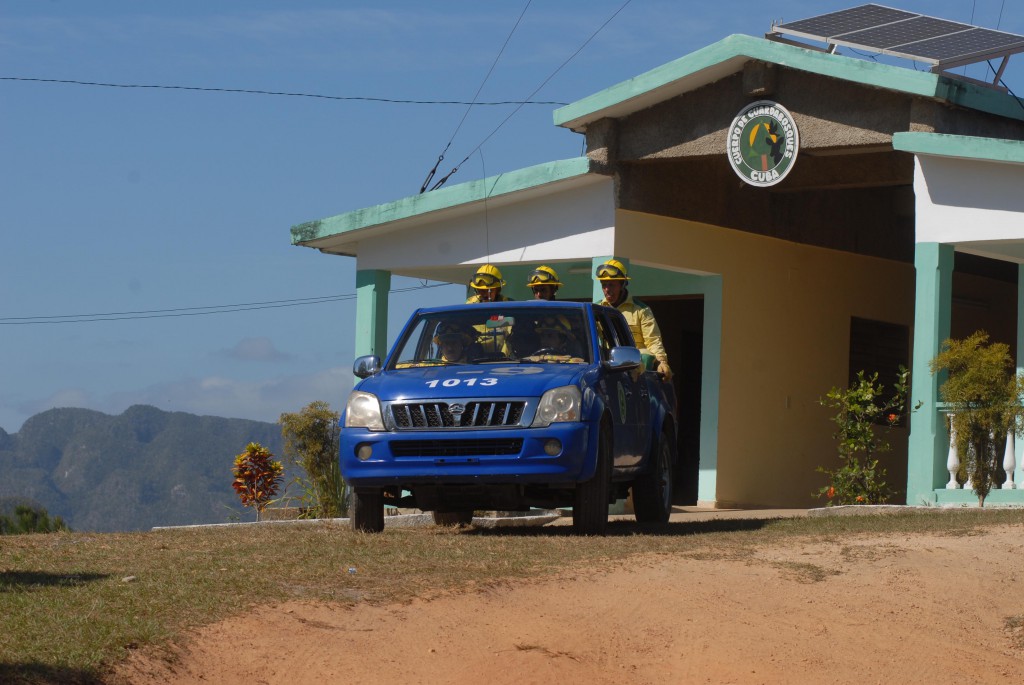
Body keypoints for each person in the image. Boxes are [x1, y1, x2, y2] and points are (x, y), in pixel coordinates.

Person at [595, 259, 673, 380]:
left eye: (611, 285)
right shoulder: (597, 309)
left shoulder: (641, 309)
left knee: (645, 355)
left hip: (636, 367)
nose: (607, 289)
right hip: (609, 366)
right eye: (604, 285)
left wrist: (662, 362)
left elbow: (653, 340)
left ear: (622, 284)